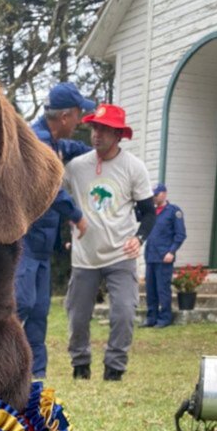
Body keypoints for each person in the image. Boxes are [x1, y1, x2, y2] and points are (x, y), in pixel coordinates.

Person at [63, 104, 156, 381]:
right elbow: (59, 198)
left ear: (118, 135)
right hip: (84, 256)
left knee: (124, 312)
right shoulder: (77, 167)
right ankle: (80, 365)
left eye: (104, 130)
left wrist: (139, 239)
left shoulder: (134, 167)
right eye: (94, 128)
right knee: (77, 316)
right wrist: (67, 228)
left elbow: (149, 213)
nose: (97, 135)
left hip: (120, 255)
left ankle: (114, 368)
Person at [15, 82, 94, 379]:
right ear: (65, 116)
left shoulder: (55, 142)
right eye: (78, 116)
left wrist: (97, 150)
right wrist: (76, 215)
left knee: (39, 310)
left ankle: (36, 376)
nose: (80, 122)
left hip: (43, 245)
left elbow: (72, 149)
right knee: (20, 304)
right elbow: (50, 185)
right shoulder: (36, 141)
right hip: (24, 239)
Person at [143, 183, 187, 328]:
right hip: (151, 256)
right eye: (153, 195)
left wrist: (172, 251)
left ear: (164, 194)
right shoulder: (151, 212)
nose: (154, 198)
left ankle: (165, 317)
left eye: (156, 195)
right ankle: (151, 317)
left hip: (164, 257)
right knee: (150, 289)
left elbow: (180, 234)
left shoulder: (173, 211)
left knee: (163, 289)